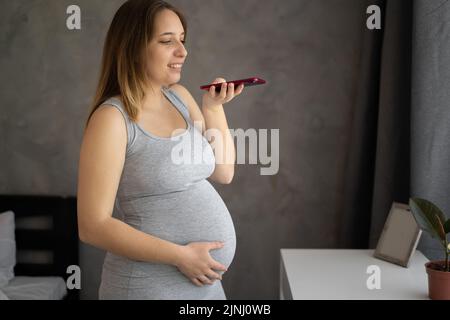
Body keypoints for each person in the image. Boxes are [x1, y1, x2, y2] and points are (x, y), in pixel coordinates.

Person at [77, 0, 244, 300]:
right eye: (167, 41)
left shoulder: (179, 98)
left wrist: (213, 109)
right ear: (133, 48)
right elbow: (92, 225)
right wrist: (180, 256)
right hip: (147, 287)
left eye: (182, 40)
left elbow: (224, 171)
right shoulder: (112, 119)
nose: (182, 51)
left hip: (205, 289)